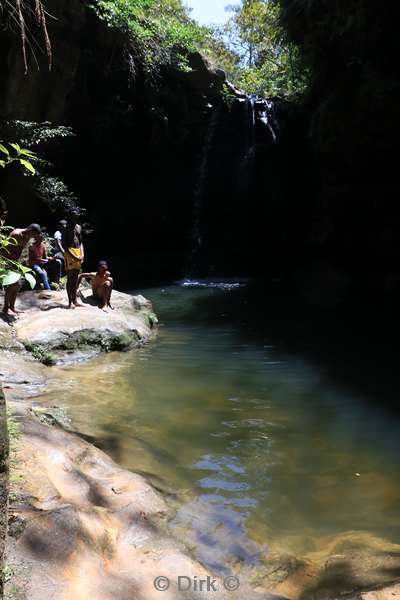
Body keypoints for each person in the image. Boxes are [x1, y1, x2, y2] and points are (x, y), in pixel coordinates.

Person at [1, 224, 42, 315]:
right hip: (8, 261)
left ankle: (12, 307)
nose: (34, 237)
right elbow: (4, 250)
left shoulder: (27, 236)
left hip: (16, 262)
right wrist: (9, 264)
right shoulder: (16, 234)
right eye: (34, 234)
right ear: (30, 230)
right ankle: (5, 308)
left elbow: (20, 250)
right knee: (13, 284)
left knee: (18, 285)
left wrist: (19, 264)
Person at [64, 211, 84, 309]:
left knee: (76, 277)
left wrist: (82, 254)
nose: (75, 218)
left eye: (76, 216)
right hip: (69, 253)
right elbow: (65, 246)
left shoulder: (78, 227)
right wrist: (75, 257)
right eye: (73, 216)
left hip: (78, 252)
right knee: (70, 278)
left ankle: (75, 300)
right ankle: (69, 302)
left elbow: (80, 243)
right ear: (70, 216)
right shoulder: (66, 228)